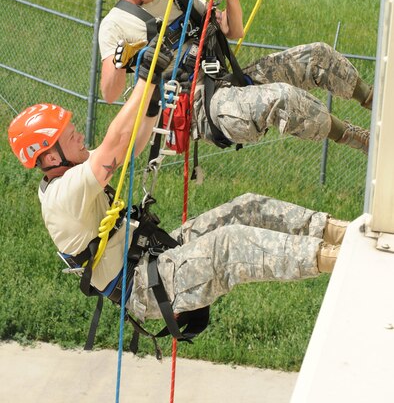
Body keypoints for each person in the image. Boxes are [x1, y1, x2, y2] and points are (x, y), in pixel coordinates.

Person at [8, 83, 349, 333]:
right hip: (142, 285)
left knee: (245, 208)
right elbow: (114, 142)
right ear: (51, 157)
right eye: (70, 137)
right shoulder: (63, 195)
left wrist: (152, 102)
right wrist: (145, 79)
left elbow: (133, 143)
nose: (80, 136)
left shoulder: (71, 173)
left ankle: (340, 233)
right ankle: (339, 258)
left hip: (150, 254)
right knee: (228, 243)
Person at [98, 0, 372, 155]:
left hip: (227, 81)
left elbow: (233, 31)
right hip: (200, 111)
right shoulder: (116, 24)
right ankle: (361, 140)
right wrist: (121, 63)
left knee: (317, 56)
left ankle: (374, 101)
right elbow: (109, 94)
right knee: (284, 98)